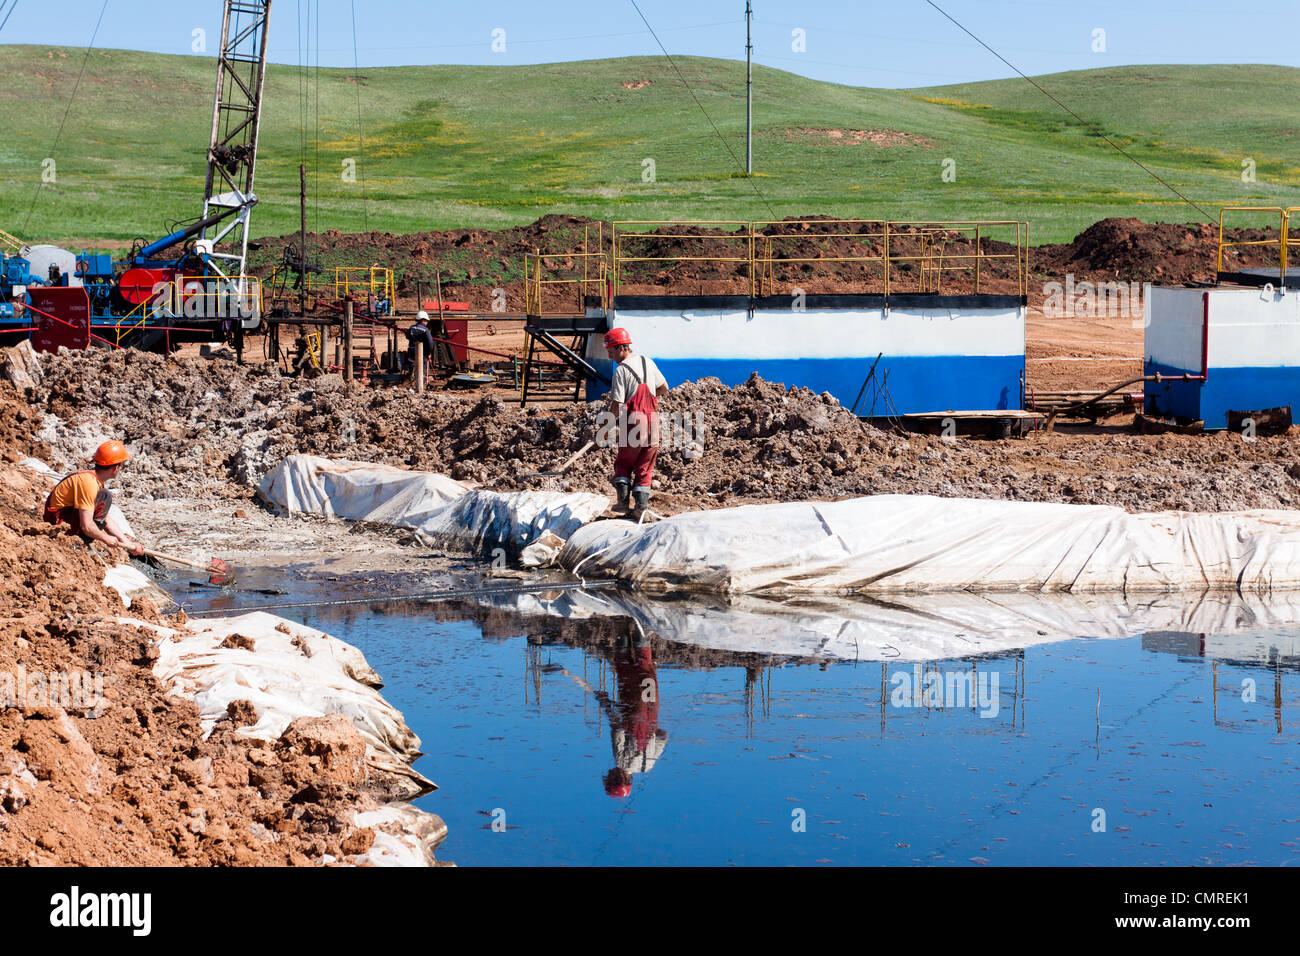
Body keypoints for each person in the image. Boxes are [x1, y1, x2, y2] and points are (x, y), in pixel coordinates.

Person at [603, 327, 668, 515]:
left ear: (620, 348)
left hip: (633, 422)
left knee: (624, 462)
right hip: (653, 421)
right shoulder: (648, 362)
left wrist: (606, 427)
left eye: (610, 352)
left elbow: (617, 404)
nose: (610, 357)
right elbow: (664, 387)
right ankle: (641, 508)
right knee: (645, 466)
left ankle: (623, 505)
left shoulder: (621, 371)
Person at [43, 440, 144, 556]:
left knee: (104, 496)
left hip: (65, 517)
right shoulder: (89, 483)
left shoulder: (94, 481)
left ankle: (82, 542)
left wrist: (127, 543)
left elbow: (104, 518)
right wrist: (105, 538)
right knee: (105, 495)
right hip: (57, 525)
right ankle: (76, 544)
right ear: (116, 467)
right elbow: (86, 525)